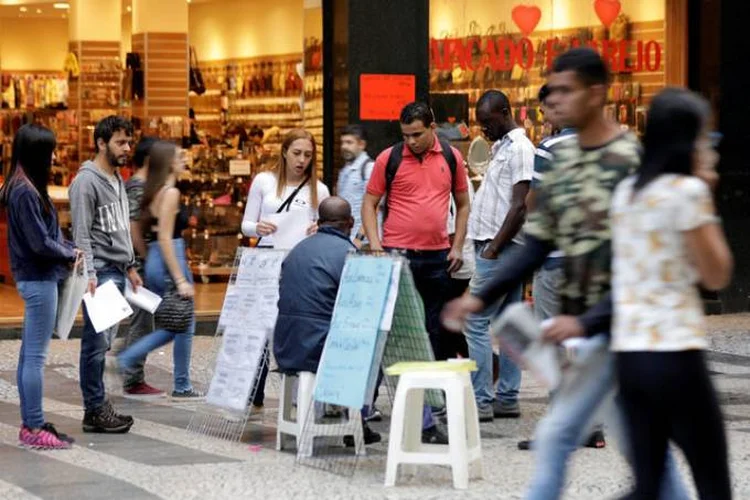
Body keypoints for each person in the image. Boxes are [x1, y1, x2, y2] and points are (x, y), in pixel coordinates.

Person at [442, 48, 689, 500]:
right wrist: (481, 295)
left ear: (596, 94)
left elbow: (645, 264)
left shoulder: (630, 160)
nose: (552, 100)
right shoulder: (563, 157)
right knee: (585, 442)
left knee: (634, 447)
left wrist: (588, 321)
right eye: (551, 89)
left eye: (564, 90)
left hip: (626, 331)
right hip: (591, 332)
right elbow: (540, 239)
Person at [555, 89, 732, 499]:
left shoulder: (628, 193)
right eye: (706, 139)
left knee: (648, 484)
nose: (710, 148)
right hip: (677, 354)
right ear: (688, 140)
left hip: (631, 358)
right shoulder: (687, 193)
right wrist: (707, 194)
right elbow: (717, 274)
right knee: (712, 482)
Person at [362, 101, 470, 362]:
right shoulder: (389, 158)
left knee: (437, 329)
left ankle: (434, 397)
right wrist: (376, 246)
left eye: (417, 134)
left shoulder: (450, 155)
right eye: (405, 135)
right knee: (393, 326)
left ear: (432, 127)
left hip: (438, 256)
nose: (411, 141)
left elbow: (464, 204)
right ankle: (384, 394)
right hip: (397, 255)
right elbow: (369, 203)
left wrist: (457, 246)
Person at [273, 196, 380, 444]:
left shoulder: (298, 249)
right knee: (372, 346)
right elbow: (360, 306)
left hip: (285, 344)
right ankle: (357, 421)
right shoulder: (347, 253)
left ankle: (346, 414)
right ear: (350, 223)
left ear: (318, 222)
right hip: (316, 349)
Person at [0, 124, 78, 449]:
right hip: (38, 279)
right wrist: (69, 253)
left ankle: (31, 421)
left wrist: (67, 247)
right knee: (35, 356)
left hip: (35, 278)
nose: (55, 157)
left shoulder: (23, 186)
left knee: (28, 355)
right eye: (50, 151)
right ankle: (32, 426)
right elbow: (39, 242)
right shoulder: (23, 191)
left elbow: (46, 238)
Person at [241, 128, 330, 408]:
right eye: (296, 153)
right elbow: (245, 223)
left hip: (299, 262)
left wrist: (319, 228)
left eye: (307, 154)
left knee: (293, 324)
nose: (301, 160)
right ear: (284, 152)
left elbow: (324, 229)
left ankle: (296, 394)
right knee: (260, 325)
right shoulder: (264, 181)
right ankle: (254, 391)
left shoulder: (320, 189)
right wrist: (258, 227)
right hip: (266, 258)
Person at [462, 89, 534, 423]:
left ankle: (480, 400)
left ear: (505, 112)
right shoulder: (500, 146)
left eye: (488, 122)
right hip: (495, 246)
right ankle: (506, 397)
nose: (483, 129)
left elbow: (520, 205)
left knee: (474, 320)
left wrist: (492, 248)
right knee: (507, 324)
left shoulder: (520, 147)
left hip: (501, 247)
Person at [69, 115, 141, 433]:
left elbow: (120, 227)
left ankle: (98, 406)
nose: (127, 148)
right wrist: (90, 274)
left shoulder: (117, 178)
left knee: (104, 342)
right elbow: (81, 233)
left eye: (129, 142)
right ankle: (94, 409)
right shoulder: (86, 182)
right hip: (100, 272)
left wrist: (130, 264)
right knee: (96, 344)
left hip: (116, 270)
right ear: (101, 143)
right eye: (120, 142)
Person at [116, 141, 202, 399]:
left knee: (177, 322)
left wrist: (146, 256)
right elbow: (166, 237)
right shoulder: (169, 193)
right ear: (167, 163)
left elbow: (145, 231)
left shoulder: (155, 191)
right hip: (169, 255)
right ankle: (128, 359)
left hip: (156, 256)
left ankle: (180, 382)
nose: (184, 159)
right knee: (180, 323)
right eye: (179, 156)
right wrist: (179, 279)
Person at [116, 136, 164, 399]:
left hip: (142, 260)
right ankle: (132, 376)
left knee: (144, 318)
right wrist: (143, 257)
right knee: (143, 320)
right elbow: (133, 225)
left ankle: (123, 357)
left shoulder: (144, 184)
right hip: (139, 263)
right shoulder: (138, 185)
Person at [336, 124, 374, 245]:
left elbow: (374, 208)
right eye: (342, 142)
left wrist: (360, 238)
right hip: (346, 239)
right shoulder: (345, 170)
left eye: (349, 142)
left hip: (364, 242)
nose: (344, 146)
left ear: (361, 144)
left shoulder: (369, 168)